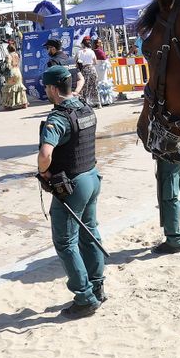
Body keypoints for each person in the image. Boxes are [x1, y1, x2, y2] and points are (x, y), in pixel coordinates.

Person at [37, 66, 105, 317]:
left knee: (66, 242)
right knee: (90, 232)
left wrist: (42, 170)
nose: (46, 92)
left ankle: (84, 296)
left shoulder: (58, 118)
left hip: (73, 185)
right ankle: (98, 286)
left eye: (46, 88)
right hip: (92, 176)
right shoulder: (85, 107)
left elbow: (45, 154)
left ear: (54, 89)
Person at [75, 38, 101, 106]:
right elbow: (95, 62)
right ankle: (98, 103)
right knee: (94, 86)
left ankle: (86, 104)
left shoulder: (79, 52)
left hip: (84, 70)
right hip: (92, 69)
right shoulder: (91, 51)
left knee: (85, 88)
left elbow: (76, 63)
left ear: (82, 44)